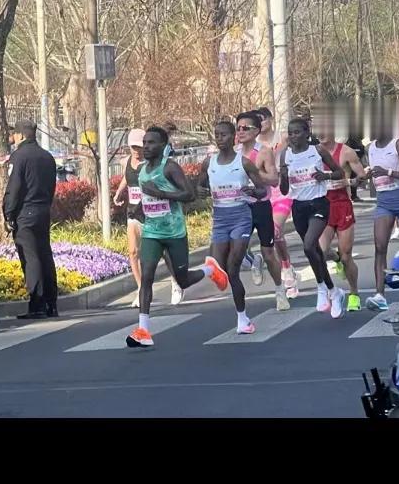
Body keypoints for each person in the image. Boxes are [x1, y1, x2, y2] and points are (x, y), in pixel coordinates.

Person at [125, 125, 227, 349]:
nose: (147, 147)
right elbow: (147, 197)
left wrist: (160, 193)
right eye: (145, 143)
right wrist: (140, 209)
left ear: (163, 146)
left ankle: (210, 270)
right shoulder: (142, 170)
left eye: (152, 143)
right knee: (148, 277)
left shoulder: (169, 168)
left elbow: (189, 195)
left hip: (174, 232)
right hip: (152, 231)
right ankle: (143, 329)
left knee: (182, 280)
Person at [190, 119, 281, 337]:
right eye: (217, 134)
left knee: (232, 268)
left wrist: (252, 192)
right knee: (218, 268)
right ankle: (251, 261)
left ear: (233, 138)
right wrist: (200, 192)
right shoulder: (208, 162)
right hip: (220, 219)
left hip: (241, 216)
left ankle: (242, 319)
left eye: (224, 134)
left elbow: (262, 190)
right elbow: (200, 186)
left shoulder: (245, 163)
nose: (220, 138)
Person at [278, 117, 347, 314]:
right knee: (314, 251)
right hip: (299, 207)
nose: (293, 136)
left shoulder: (317, 151)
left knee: (308, 244)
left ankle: (321, 287)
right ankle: (334, 291)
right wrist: (283, 175)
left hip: (318, 203)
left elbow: (339, 172)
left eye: (297, 132)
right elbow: (284, 190)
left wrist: (325, 176)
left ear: (307, 133)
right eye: (290, 133)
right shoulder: (285, 155)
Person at [232, 115, 293, 313]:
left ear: (256, 131)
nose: (240, 131)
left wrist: (253, 175)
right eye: (238, 127)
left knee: (268, 253)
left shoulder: (264, 152)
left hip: (261, 205)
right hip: (241, 207)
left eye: (245, 128)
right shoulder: (233, 153)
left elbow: (274, 180)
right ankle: (253, 261)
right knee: (237, 251)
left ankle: (279, 290)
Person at [3, 123, 59, 321]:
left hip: (25, 212)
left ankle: (37, 302)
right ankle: (52, 302)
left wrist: (8, 213)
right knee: (45, 254)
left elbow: (14, 187)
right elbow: (53, 185)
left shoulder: (19, 157)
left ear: (19, 135)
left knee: (31, 257)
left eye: (13, 134)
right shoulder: (47, 156)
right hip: (43, 209)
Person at [365, 126, 399, 308]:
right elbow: (374, 178)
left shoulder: (398, 144)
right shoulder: (370, 147)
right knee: (380, 246)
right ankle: (379, 295)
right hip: (384, 201)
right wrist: (368, 176)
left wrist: (387, 172)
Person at [316, 131, 366, 312]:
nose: (321, 133)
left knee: (346, 256)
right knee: (320, 251)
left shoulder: (346, 152)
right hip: (322, 206)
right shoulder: (313, 152)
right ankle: (334, 258)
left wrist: (348, 182)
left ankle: (354, 293)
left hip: (342, 206)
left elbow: (362, 176)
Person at [112, 128, 147, 294]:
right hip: (133, 211)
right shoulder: (126, 161)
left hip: (149, 212)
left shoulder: (149, 163)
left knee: (155, 252)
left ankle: (176, 280)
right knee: (133, 251)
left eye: (139, 147)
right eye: (134, 147)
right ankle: (141, 288)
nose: (136, 151)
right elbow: (127, 177)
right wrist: (119, 192)